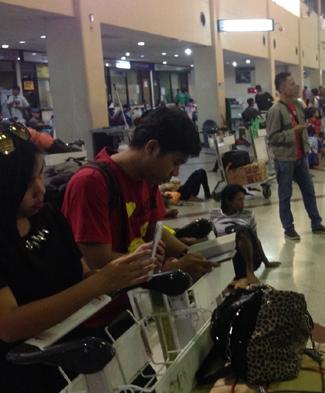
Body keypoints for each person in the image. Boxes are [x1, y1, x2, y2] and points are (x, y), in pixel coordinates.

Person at [0, 122, 157, 392]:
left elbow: (82, 273)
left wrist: (122, 273)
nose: (40, 189)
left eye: (40, 175)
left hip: (77, 359)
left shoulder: (49, 217)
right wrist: (101, 283)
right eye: (26, 183)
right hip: (18, 377)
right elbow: (8, 324)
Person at [62, 108, 214, 326]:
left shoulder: (148, 180)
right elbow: (99, 262)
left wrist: (188, 253)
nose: (175, 173)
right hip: (101, 316)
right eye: (176, 163)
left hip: (138, 299)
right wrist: (165, 271)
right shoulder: (91, 183)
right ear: (152, 148)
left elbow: (155, 230)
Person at [266, 72, 325, 241]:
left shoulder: (298, 104)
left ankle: (316, 223)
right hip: (285, 160)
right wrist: (293, 131)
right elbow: (273, 138)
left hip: (300, 157)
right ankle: (288, 228)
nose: (296, 86)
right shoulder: (275, 110)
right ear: (282, 88)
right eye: (291, 84)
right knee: (285, 195)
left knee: (309, 191)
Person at [211, 185, 281, 288]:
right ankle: (238, 278)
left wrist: (266, 262)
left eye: (243, 199)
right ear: (228, 201)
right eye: (239, 200)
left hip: (248, 259)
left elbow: (255, 239)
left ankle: (249, 272)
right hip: (228, 258)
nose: (243, 203)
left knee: (241, 231)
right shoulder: (215, 214)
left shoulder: (248, 214)